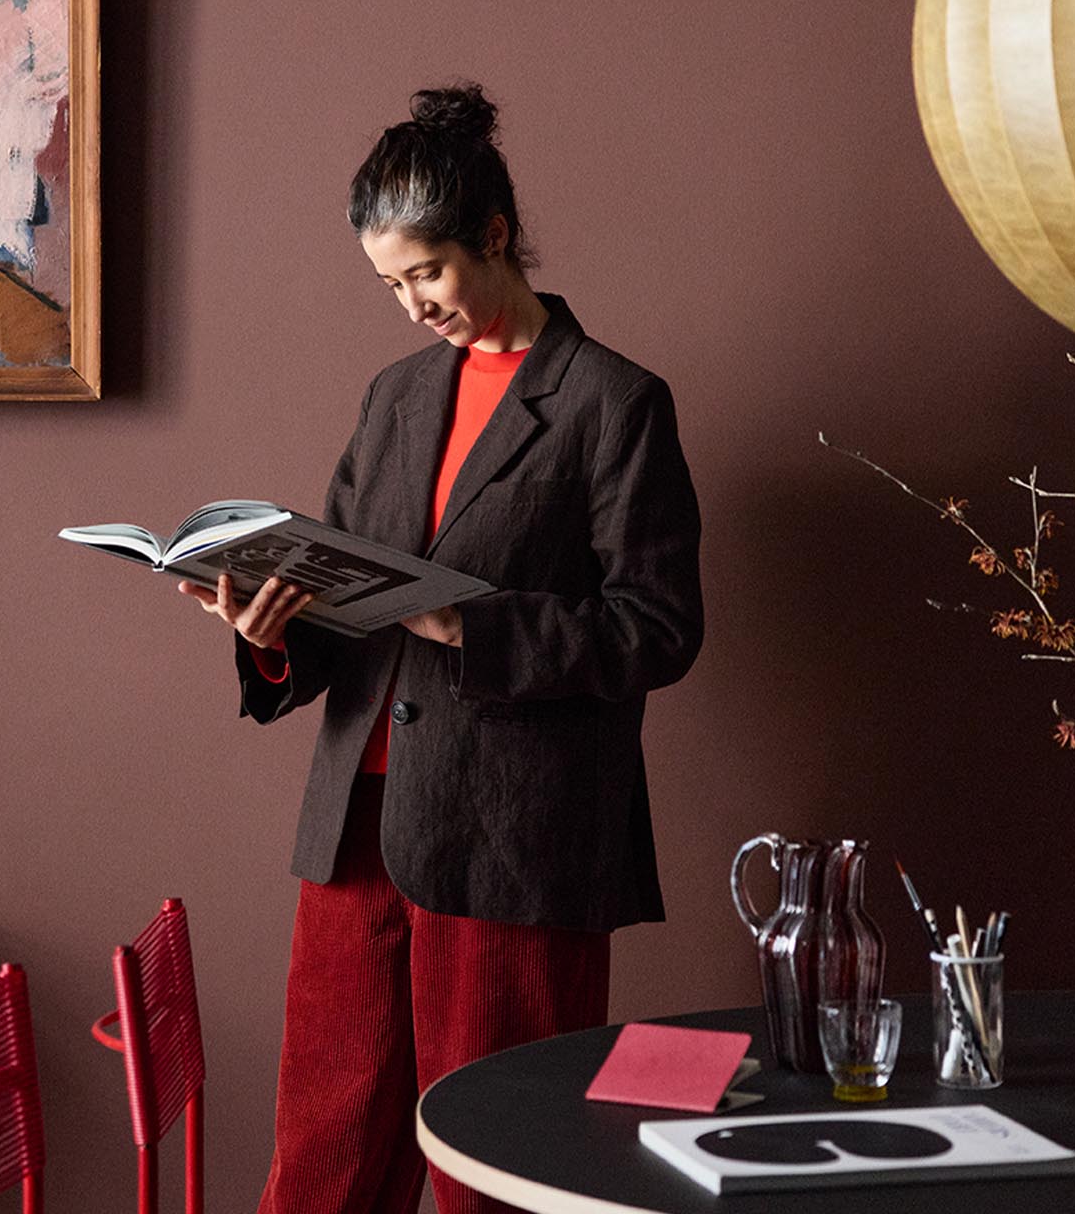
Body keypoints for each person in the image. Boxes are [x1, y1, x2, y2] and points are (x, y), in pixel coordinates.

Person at [179, 82, 704, 1214]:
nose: (412, 305)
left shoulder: (613, 403)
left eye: (426, 274)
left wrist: (473, 622)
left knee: (498, 1166)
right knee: (321, 1161)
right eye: (389, 285)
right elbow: (342, 588)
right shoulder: (395, 397)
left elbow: (657, 627)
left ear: (495, 237)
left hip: (510, 836)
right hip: (356, 826)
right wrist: (272, 631)